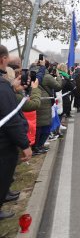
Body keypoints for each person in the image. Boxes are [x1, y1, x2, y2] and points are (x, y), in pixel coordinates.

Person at [0, 45, 33, 220]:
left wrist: (12, 89)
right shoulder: (2, 87)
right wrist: (25, 145)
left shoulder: (5, 86)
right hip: (4, 144)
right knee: (3, 175)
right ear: (3, 59)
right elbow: (11, 120)